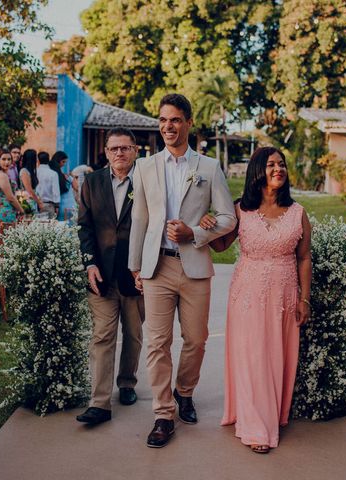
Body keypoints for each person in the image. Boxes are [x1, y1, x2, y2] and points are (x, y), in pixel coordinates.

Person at [128, 93, 236, 448]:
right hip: (156, 266)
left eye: (174, 119)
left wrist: (196, 233)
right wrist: (135, 266)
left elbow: (227, 218)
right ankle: (163, 413)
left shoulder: (208, 168)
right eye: (162, 120)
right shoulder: (144, 168)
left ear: (188, 122)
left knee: (196, 340)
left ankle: (184, 391)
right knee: (157, 343)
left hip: (195, 266)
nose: (167, 126)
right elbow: (140, 219)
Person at [200, 147, 312, 454]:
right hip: (248, 294)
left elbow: (304, 258)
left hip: (285, 295)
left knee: (276, 356)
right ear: (257, 171)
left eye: (282, 164)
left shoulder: (298, 213)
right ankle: (256, 427)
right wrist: (208, 225)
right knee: (252, 358)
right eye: (271, 164)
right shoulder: (241, 210)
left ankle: (272, 413)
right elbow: (221, 245)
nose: (278, 169)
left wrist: (305, 299)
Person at [76, 127, 145, 425]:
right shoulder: (90, 183)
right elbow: (85, 226)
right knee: (102, 336)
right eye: (114, 148)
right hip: (100, 275)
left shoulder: (145, 181)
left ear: (135, 151)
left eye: (125, 148)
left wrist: (146, 265)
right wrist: (89, 262)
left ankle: (127, 382)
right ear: (105, 152)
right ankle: (99, 403)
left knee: (133, 334)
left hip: (136, 273)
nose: (120, 153)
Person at [0, 149, 24, 234]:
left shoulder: (2, 174)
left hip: (5, 210)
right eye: (3, 159)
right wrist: (22, 211)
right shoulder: (2, 175)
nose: (7, 162)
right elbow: (10, 198)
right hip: (5, 211)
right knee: (6, 241)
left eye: (9, 159)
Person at [50, 151, 76, 221]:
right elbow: (76, 187)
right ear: (58, 161)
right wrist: (72, 176)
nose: (64, 164)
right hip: (71, 206)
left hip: (58, 206)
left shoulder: (51, 175)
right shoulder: (65, 176)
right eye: (63, 162)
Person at [35, 151, 60, 219]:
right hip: (49, 205)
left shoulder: (35, 172)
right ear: (48, 160)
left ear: (38, 161)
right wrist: (57, 206)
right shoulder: (53, 174)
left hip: (35, 205)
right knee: (49, 228)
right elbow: (56, 192)